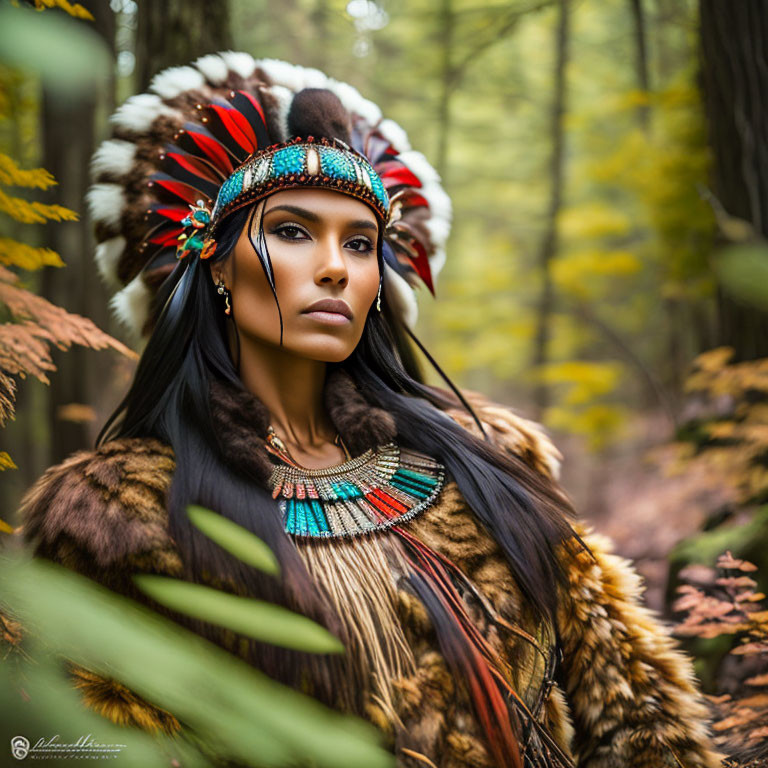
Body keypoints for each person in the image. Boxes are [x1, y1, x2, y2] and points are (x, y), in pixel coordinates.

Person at [18, 52, 723, 768]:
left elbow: (640, 717)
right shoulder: (117, 517)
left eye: (360, 244)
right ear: (218, 266)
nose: (336, 267)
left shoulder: (487, 460)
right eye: (293, 231)